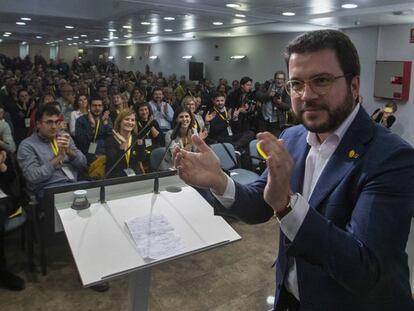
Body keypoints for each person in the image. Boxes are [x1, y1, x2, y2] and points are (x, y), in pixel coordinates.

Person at [173, 29, 414, 310]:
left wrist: (287, 206)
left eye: (321, 81)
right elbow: (262, 204)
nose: (306, 95)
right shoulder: (294, 137)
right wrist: (219, 181)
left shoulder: (392, 158)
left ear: (354, 85)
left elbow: (363, 269)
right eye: (296, 84)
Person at [17, 105, 86, 198]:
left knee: (98, 192)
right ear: (38, 124)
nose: (54, 126)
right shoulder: (27, 145)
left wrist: (69, 151)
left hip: (73, 184)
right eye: (49, 122)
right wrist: (58, 158)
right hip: (48, 188)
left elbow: (83, 163)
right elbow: (33, 176)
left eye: (56, 122)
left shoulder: (64, 137)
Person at [0, 149, 25, 291]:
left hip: (4, 198)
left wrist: (2, 165)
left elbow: (12, 180)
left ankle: (3, 272)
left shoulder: (4, 153)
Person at [105, 109, 145, 178]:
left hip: (134, 176)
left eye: (132, 120)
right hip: (117, 178)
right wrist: (122, 146)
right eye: (127, 119)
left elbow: (142, 158)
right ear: (119, 122)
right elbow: (113, 164)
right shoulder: (110, 140)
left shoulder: (136, 139)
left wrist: (140, 145)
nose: (130, 122)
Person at [257, 70, 292, 137]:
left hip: (277, 122)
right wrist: (268, 95)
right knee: (264, 141)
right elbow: (258, 95)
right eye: (278, 78)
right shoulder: (268, 85)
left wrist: (279, 103)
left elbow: (288, 106)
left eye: (281, 79)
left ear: (284, 80)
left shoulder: (286, 90)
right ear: (274, 79)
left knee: (276, 141)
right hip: (265, 119)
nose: (279, 81)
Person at [135, 103, 164, 170]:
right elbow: (139, 137)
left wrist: (151, 124)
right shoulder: (136, 123)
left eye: (146, 109)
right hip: (142, 149)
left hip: (154, 148)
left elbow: (159, 139)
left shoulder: (154, 122)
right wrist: (148, 125)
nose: (144, 112)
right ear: (138, 112)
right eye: (141, 110)